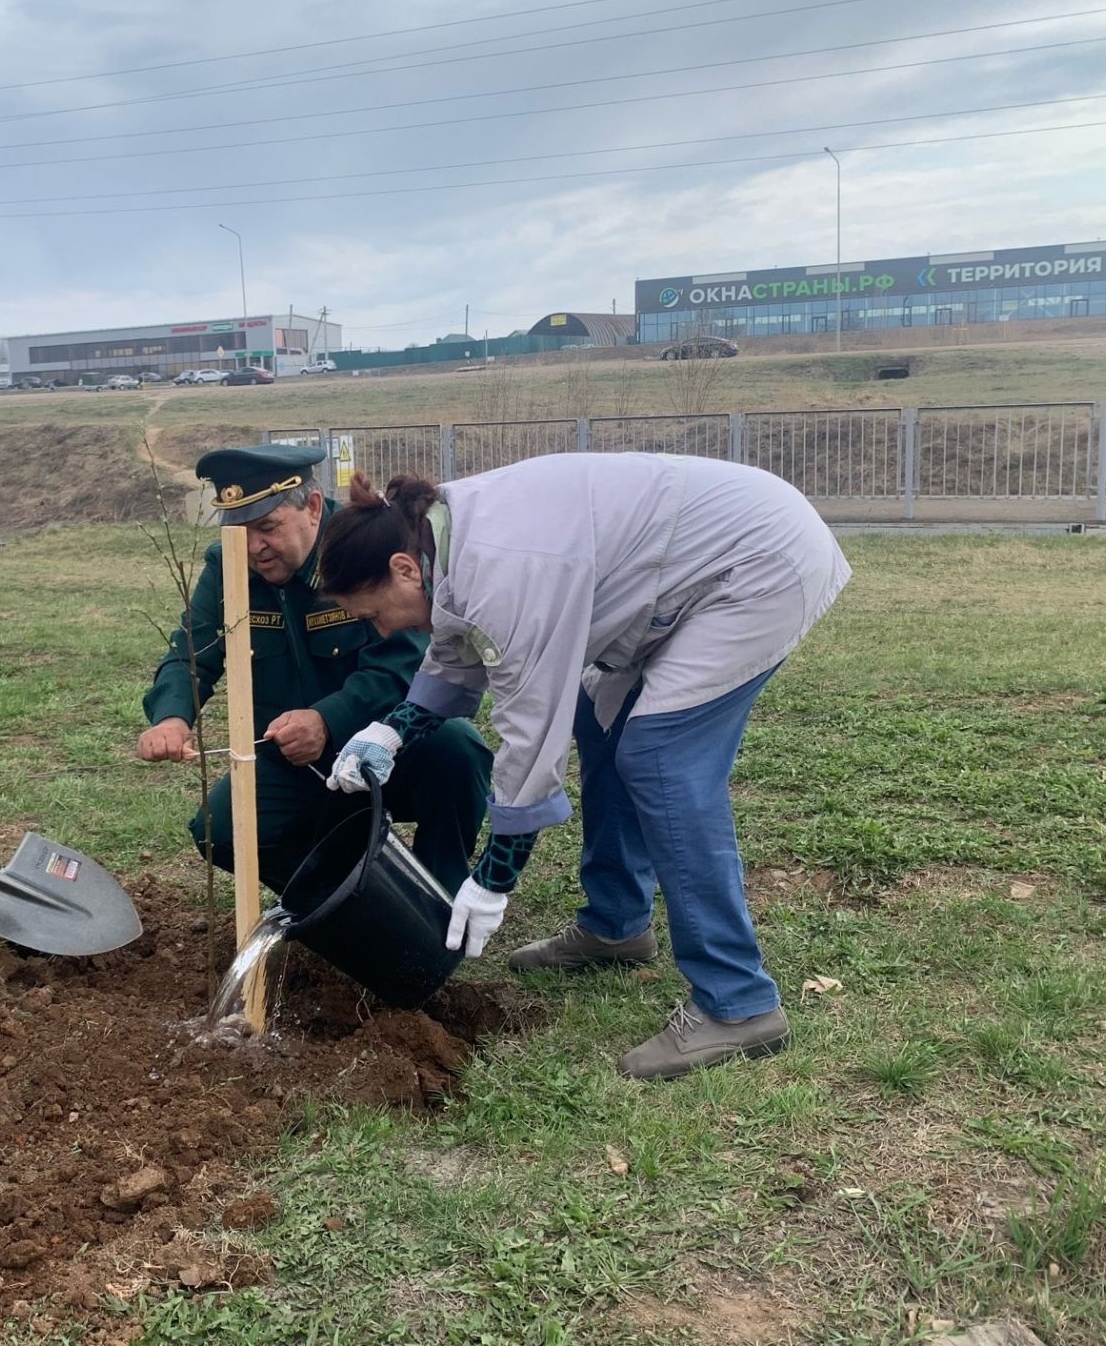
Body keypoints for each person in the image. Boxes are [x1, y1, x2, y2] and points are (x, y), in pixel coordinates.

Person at [315, 453, 851, 1079]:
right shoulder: (439, 536)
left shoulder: (501, 570)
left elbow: (529, 740)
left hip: (753, 561)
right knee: (601, 728)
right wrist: (390, 731)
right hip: (686, 564)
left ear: (404, 571)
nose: (381, 632)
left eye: (374, 613)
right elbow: (458, 650)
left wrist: (494, 878)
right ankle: (617, 926)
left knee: (661, 757)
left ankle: (738, 1003)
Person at [139, 445, 492, 896]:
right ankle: (340, 910)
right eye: (239, 531)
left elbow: (404, 661)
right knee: (221, 829)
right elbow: (193, 651)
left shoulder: (361, 545)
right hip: (290, 760)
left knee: (459, 751)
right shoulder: (227, 567)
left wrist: (328, 719)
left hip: (385, 743)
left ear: (312, 506)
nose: (253, 548)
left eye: (267, 527)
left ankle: (434, 903)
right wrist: (172, 716)